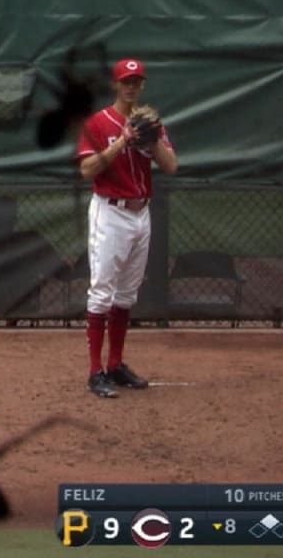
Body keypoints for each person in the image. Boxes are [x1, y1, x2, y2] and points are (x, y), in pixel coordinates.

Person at [75, 59, 178, 398]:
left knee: (126, 294)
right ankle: (95, 371)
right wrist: (121, 142)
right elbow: (87, 169)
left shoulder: (150, 122)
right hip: (111, 211)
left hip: (140, 212)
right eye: (126, 81)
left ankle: (116, 364)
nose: (131, 86)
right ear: (115, 84)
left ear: (142, 85)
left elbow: (171, 166)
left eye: (137, 81)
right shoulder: (97, 122)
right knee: (102, 291)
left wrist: (151, 142)